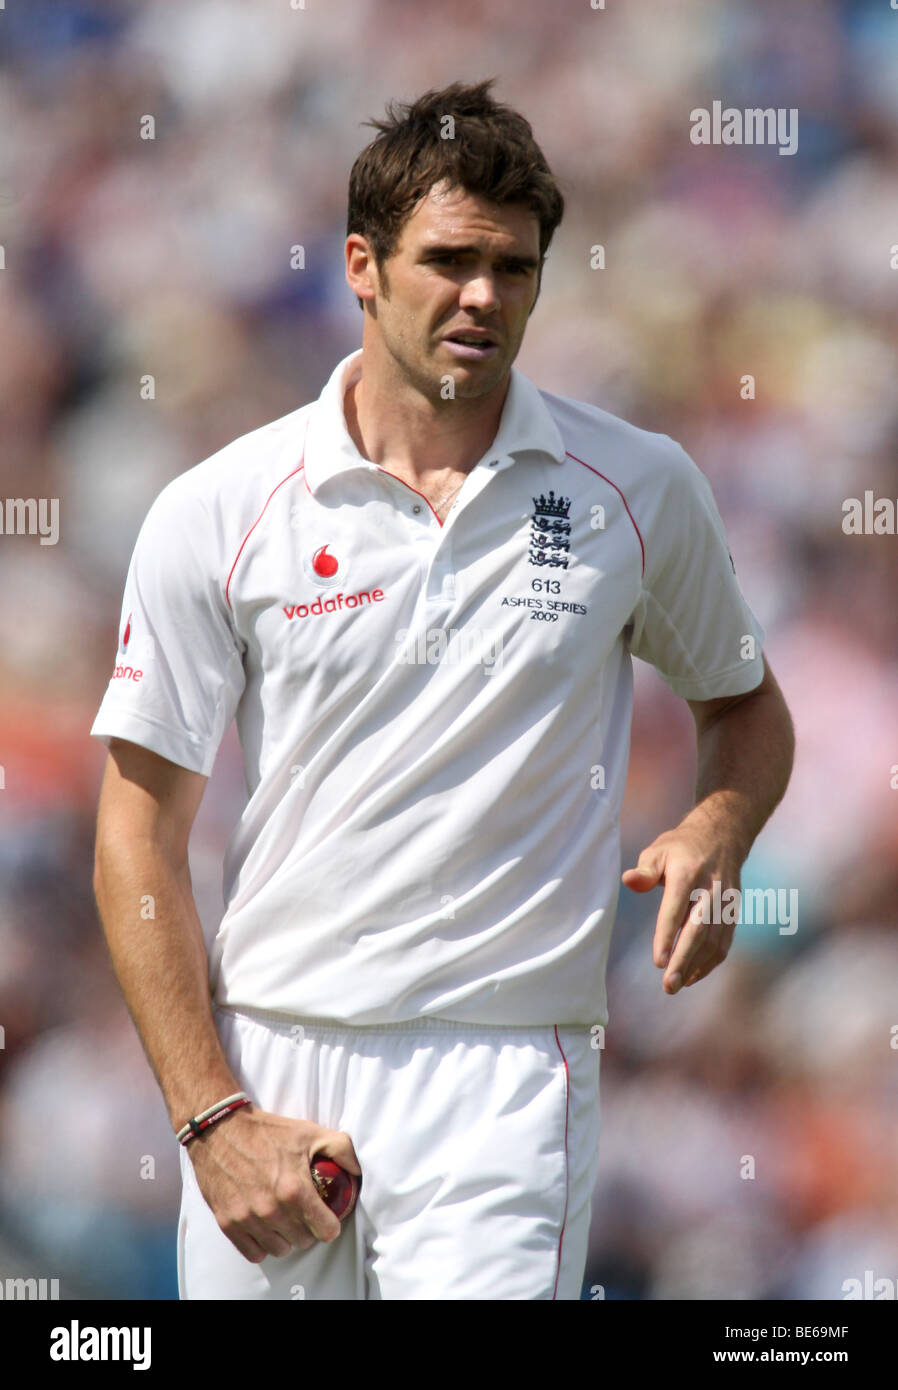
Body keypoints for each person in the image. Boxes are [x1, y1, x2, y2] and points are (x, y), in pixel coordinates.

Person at [91, 78, 794, 1301]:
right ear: (360, 264)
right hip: (272, 1058)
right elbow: (135, 834)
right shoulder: (220, 506)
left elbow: (743, 705)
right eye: (448, 260)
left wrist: (716, 827)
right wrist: (212, 1117)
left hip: (507, 1072)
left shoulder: (635, 485)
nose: (483, 295)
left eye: (515, 268)